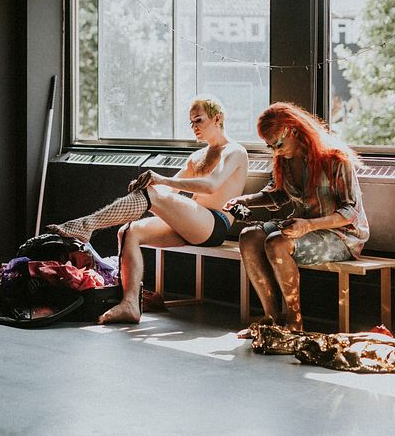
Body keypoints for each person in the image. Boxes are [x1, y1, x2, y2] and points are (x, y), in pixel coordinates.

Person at [48, 95, 248, 324]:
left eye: (199, 120)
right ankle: (130, 303)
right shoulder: (197, 157)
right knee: (128, 231)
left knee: (152, 194)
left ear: (217, 118)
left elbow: (212, 185)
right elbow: (168, 193)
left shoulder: (234, 151)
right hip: (192, 223)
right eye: (191, 122)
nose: (194, 127)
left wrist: (158, 183)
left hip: (215, 224)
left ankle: (86, 225)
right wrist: (145, 189)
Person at [225, 102, 369, 334]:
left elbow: (350, 212)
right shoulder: (285, 160)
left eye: (279, 144)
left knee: (276, 243)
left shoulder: (335, 158)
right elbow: (279, 194)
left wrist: (309, 225)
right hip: (303, 224)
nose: (276, 152)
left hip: (341, 235)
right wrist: (245, 200)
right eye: (270, 146)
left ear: (293, 129)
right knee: (249, 237)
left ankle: (294, 322)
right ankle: (271, 318)